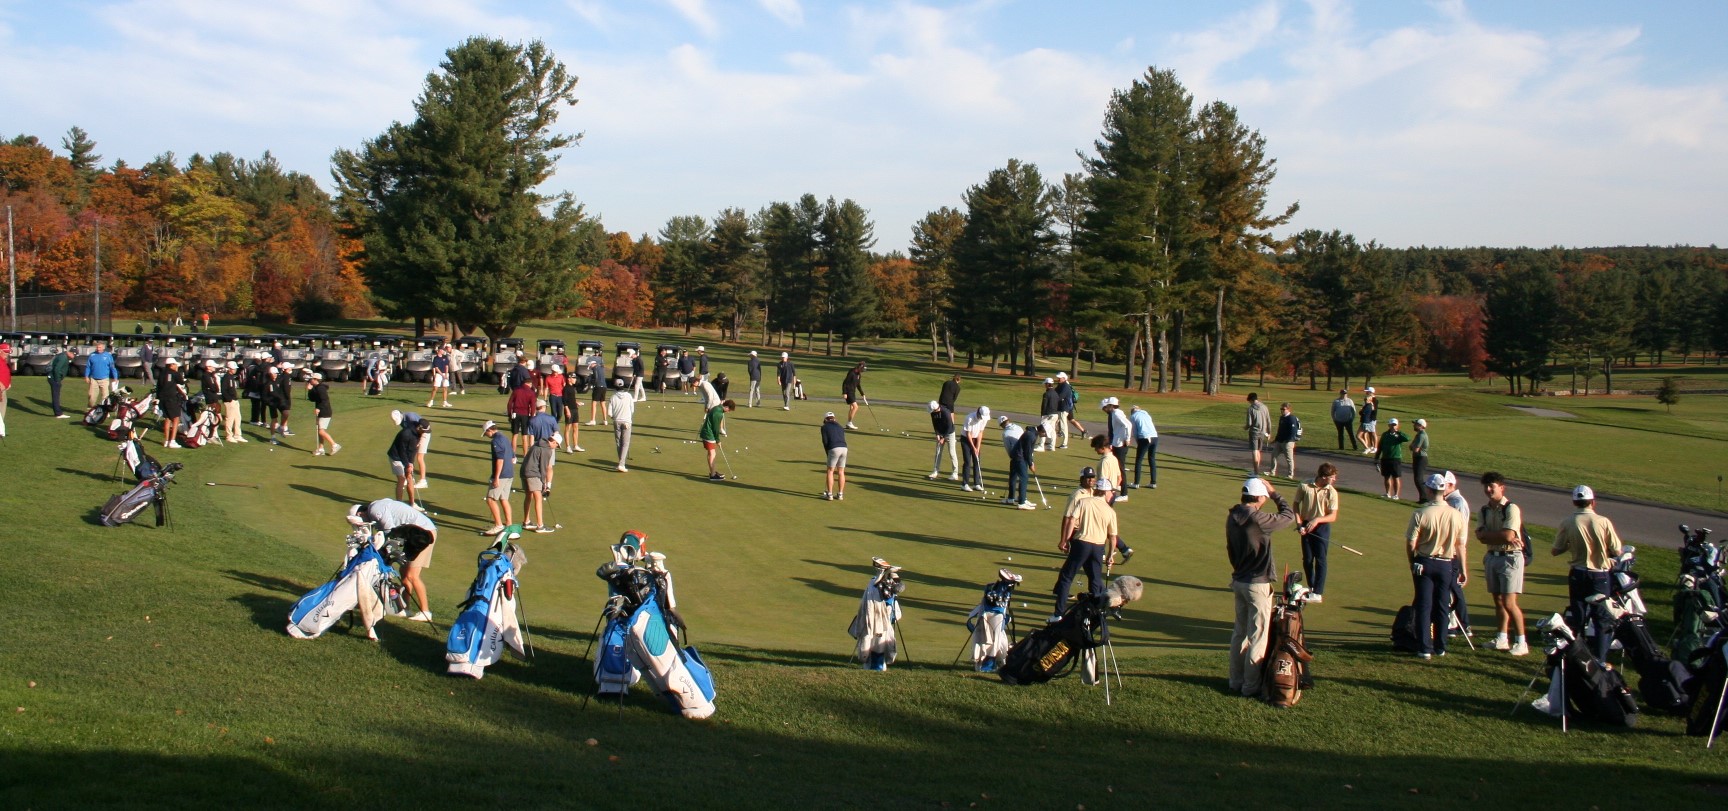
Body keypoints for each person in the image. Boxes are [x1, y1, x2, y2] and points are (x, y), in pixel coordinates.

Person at [1227, 477, 1295, 697]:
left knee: (1240, 633)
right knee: (1258, 635)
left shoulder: (1233, 515)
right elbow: (1288, 516)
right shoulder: (1258, 518)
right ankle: (1250, 686)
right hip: (1257, 583)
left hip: (1239, 579)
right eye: (1264, 496)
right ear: (1258, 496)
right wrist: (1275, 493)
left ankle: (1235, 681)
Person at [1551, 484, 1624, 660]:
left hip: (1578, 574)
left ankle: (1578, 656)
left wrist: (1571, 544)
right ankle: (1600, 659)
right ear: (1592, 501)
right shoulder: (1603, 521)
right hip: (1600, 575)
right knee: (1601, 620)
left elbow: (1556, 550)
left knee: (1578, 618)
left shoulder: (1568, 522)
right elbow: (1617, 550)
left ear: (1575, 502)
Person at [1407, 472, 1467, 659]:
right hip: (1446, 564)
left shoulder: (1420, 513)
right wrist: (1464, 569)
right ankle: (1441, 646)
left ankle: (1425, 647)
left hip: (1425, 562)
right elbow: (1460, 545)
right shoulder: (1456, 515)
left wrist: (1412, 561)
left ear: (1429, 490)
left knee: (1424, 606)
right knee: (1442, 606)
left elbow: (1411, 543)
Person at [354, 499, 438, 622]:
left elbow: (389, 530)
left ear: (360, 513)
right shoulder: (376, 507)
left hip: (424, 535)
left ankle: (425, 612)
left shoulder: (374, 510)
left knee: (412, 575)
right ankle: (405, 609)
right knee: (404, 573)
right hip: (414, 535)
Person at [1052, 476, 1119, 620]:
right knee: (1095, 581)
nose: (1112, 494)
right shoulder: (1110, 511)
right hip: (1098, 547)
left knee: (1066, 577)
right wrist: (1110, 555)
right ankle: (1095, 615)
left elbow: (1071, 520)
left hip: (1082, 543)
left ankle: (1058, 614)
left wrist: (1065, 540)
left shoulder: (1084, 502)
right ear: (1106, 492)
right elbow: (1113, 537)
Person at [1479, 472, 1529, 656]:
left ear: (1502, 487)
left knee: (1509, 602)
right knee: (1498, 601)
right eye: (1486, 486)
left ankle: (1521, 642)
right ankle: (1501, 638)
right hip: (1493, 555)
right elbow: (1480, 536)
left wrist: (1490, 536)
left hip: (1510, 557)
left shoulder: (1511, 508)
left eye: (1492, 485)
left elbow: (1508, 536)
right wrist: (1496, 536)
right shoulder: (1485, 510)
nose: (1488, 489)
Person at [1293, 463, 1340, 603]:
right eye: (1332, 477)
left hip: (1322, 527)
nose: (1334, 479)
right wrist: (1299, 523)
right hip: (1306, 524)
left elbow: (1333, 516)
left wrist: (1318, 520)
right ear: (1324, 477)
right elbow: (1295, 505)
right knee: (1307, 559)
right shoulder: (1305, 485)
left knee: (1320, 559)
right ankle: (1312, 586)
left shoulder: (1331, 492)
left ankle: (1318, 593)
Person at [1439, 470, 1473, 639]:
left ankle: (1463, 624)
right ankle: (1455, 623)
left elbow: (1460, 533)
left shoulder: (1457, 502)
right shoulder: (1449, 501)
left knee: (1454, 588)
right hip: (1447, 551)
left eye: (1444, 485)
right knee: (1450, 588)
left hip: (1454, 552)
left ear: (1451, 485)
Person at [520, 402, 558, 533]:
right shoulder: (547, 450)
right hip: (532, 473)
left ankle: (526, 522)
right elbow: (543, 468)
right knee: (538, 497)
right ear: (553, 441)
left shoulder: (537, 444)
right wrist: (544, 485)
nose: (556, 448)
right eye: (557, 445)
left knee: (528, 496)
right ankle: (540, 525)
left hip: (524, 471)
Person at [480, 420, 515, 534]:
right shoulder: (505, 438)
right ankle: (509, 525)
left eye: (486, 433)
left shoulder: (496, 440)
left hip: (502, 475)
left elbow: (500, 460)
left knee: (490, 499)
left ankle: (499, 525)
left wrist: (496, 477)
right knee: (503, 499)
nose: (486, 435)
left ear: (490, 430)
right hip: (509, 473)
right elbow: (513, 457)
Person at [387, 413, 425, 510]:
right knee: (402, 479)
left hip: (405, 456)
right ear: (419, 428)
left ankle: (412, 504)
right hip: (396, 457)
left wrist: (411, 464)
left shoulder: (418, 434)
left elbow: (412, 451)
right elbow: (402, 451)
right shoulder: (406, 433)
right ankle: (399, 505)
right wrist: (407, 464)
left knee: (409, 478)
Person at [1000, 416, 1038, 510]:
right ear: (1009, 420)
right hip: (1023, 456)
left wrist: (1012, 457)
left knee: (1013, 477)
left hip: (1016, 456)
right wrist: (1030, 461)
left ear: (1001, 425)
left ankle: (1011, 498)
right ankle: (1022, 500)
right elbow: (1026, 444)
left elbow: (1008, 448)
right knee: (1023, 478)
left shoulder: (1005, 433)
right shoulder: (1019, 427)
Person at [1103, 398, 1133, 501]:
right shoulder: (1115, 413)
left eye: (1108, 406)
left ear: (1111, 406)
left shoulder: (1116, 414)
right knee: (1117, 467)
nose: (1106, 408)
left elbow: (1128, 425)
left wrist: (1127, 438)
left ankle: (1124, 494)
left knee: (1120, 469)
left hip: (1120, 444)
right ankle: (1118, 486)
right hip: (1117, 443)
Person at [700, 399, 736, 481]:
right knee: (712, 454)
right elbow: (715, 429)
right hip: (708, 434)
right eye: (729, 410)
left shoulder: (717, 408)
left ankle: (713, 472)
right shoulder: (718, 413)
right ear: (726, 407)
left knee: (712, 453)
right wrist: (718, 440)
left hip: (708, 433)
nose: (728, 411)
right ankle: (712, 475)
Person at [1375, 417, 1410, 499]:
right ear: (1389, 425)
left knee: (1395, 477)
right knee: (1386, 476)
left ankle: (1396, 495)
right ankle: (1387, 493)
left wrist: (1398, 432)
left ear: (1397, 426)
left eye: (1395, 425)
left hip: (1395, 458)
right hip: (1385, 458)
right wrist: (1376, 458)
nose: (1393, 426)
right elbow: (1380, 447)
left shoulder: (1399, 435)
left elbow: (1407, 438)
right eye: (1392, 425)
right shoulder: (1385, 434)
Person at [157, 357, 188, 449]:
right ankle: (172, 441)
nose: (176, 366)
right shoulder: (174, 373)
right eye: (175, 364)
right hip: (172, 399)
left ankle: (166, 441)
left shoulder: (162, 373)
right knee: (176, 419)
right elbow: (181, 382)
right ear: (171, 365)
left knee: (167, 419)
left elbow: (159, 386)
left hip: (163, 399)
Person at [307, 372, 339, 456]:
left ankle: (334, 445)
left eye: (311, 379)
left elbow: (324, 400)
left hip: (325, 411)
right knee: (320, 430)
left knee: (321, 431)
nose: (310, 380)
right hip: (321, 411)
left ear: (316, 380)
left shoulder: (321, 388)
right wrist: (309, 390)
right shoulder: (316, 387)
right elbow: (312, 399)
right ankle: (321, 449)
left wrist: (318, 408)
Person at [926, 400, 959, 480]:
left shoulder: (946, 412)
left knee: (952, 453)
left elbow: (949, 426)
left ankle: (955, 473)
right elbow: (934, 423)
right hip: (940, 433)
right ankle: (935, 471)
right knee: (938, 452)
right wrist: (937, 434)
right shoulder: (933, 412)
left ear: (936, 408)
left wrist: (943, 438)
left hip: (950, 433)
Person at [960, 405, 989, 492]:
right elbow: (968, 434)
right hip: (966, 439)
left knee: (977, 460)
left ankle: (977, 483)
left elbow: (980, 433)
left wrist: (978, 447)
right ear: (978, 413)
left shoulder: (984, 419)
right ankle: (965, 484)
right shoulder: (969, 418)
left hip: (976, 439)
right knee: (968, 462)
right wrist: (973, 447)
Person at [1128, 404, 1158, 489]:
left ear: (1132, 411)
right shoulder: (1146, 414)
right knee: (1152, 458)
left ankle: (1136, 483)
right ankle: (1153, 482)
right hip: (1155, 437)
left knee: (1139, 460)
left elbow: (1135, 432)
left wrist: (1138, 442)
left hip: (1144, 438)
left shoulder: (1133, 417)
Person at [1268, 402, 1300, 478]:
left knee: (1289, 459)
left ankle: (1290, 475)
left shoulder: (1291, 418)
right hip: (1279, 441)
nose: (1281, 410)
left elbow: (1293, 431)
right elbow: (1280, 430)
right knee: (1274, 455)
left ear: (1288, 409)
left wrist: (1288, 440)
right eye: (1281, 409)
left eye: (1283, 409)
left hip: (1288, 442)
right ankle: (1272, 472)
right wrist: (1275, 440)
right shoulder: (1282, 418)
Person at [609, 377, 635, 471]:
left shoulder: (613, 397)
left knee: (618, 443)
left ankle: (621, 463)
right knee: (625, 443)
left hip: (616, 422)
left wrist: (614, 417)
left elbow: (609, 413)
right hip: (627, 421)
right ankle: (621, 464)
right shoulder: (628, 396)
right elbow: (632, 410)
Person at [821, 411, 848, 500]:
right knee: (841, 471)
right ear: (834, 418)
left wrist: (827, 453)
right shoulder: (840, 426)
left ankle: (829, 494)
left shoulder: (824, 427)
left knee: (830, 471)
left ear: (825, 419)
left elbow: (825, 442)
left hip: (834, 448)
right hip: (844, 448)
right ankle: (840, 494)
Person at [85, 339, 119, 410]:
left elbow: (112, 367)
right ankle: (90, 408)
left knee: (105, 397)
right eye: (97, 347)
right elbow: (88, 367)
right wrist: (86, 376)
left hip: (104, 379)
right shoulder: (92, 355)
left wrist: (115, 377)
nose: (98, 349)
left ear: (103, 348)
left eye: (100, 347)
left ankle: (104, 411)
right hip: (94, 379)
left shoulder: (108, 356)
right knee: (91, 396)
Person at [1243, 392, 1272, 475]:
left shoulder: (1251, 408)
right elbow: (1268, 421)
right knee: (1258, 451)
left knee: (1254, 451)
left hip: (1254, 432)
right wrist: (1269, 432)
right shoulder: (1264, 407)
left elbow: (1249, 423)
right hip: (1263, 432)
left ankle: (1256, 472)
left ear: (1251, 400)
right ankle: (1256, 470)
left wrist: (1245, 428)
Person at [508, 379, 536, 456]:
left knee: (515, 434)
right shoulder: (531, 393)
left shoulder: (516, 390)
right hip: (525, 415)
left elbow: (510, 403)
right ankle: (525, 455)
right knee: (524, 436)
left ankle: (513, 454)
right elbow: (533, 406)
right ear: (529, 384)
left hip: (515, 413)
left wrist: (509, 414)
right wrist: (532, 416)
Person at [1054, 372, 1083, 448]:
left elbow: (1060, 396)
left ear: (1064, 378)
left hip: (1064, 408)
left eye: (1059, 378)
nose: (1058, 379)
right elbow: (1055, 393)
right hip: (1060, 408)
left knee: (1063, 426)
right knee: (1054, 423)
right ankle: (1052, 440)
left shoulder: (1066, 386)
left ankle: (1064, 443)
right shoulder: (1060, 385)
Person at [219, 361, 244, 442]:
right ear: (229, 369)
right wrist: (229, 399)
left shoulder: (231, 377)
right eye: (233, 369)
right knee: (230, 418)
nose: (235, 370)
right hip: (230, 401)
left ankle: (237, 435)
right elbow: (224, 390)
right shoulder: (226, 377)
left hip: (235, 400)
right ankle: (229, 436)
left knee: (238, 418)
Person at [270, 363, 295, 444]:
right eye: (289, 367)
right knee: (282, 414)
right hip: (281, 399)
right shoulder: (285, 377)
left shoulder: (285, 376)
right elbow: (286, 389)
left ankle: (283, 427)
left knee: (285, 413)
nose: (291, 368)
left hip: (281, 399)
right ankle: (275, 435)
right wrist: (288, 398)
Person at [1037, 378, 1063, 451]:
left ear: (1048, 384)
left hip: (1048, 414)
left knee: (1043, 429)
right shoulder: (1056, 393)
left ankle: (1041, 446)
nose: (1045, 385)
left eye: (1045, 384)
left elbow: (1044, 405)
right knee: (1052, 430)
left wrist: (1042, 415)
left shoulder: (1046, 394)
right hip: (1055, 414)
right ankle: (1052, 446)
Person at [48, 345, 73, 418]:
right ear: (70, 352)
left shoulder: (63, 356)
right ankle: (58, 413)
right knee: (56, 396)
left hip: (54, 378)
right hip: (54, 379)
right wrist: (58, 380)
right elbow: (57, 369)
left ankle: (58, 412)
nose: (74, 356)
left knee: (56, 395)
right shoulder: (63, 358)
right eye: (73, 354)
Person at [1409, 418, 1432, 499]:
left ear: (1421, 426)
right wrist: (1412, 446)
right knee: (1417, 479)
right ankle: (1422, 498)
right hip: (1418, 458)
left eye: (1415, 424)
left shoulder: (1421, 435)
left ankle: (1425, 498)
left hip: (1421, 458)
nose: (1414, 425)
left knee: (1419, 479)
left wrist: (1413, 446)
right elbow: (1411, 447)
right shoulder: (1418, 435)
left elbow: (1415, 449)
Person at [842, 361, 866, 429]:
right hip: (849, 392)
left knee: (852, 408)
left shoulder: (858, 374)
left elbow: (858, 385)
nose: (862, 371)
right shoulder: (851, 373)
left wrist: (862, 394)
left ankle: (848, 424)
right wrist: (844, 393)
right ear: (859, 367)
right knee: (856, 407)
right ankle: (849, 423)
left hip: (853, 392)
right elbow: (845, 383)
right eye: (862, 369)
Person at [1357, 388, 1379, 454]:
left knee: (1373, 433)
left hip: (1371, 419)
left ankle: (1375, 448)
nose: (1366, 393)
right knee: (1370, 433)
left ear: (1371, 392)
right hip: (1367, 419)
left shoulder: (1374, 400)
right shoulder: (1368, 399)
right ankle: (1372, 446)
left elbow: (1373, 411)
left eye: (1367, 391)